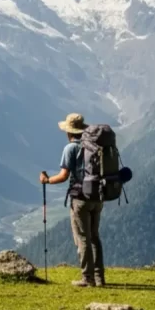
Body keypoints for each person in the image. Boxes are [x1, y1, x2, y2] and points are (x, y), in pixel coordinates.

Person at [39, 113, 104, 287]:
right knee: (94, 237)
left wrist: (47, 180)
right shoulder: (94, 145)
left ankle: (87, 278)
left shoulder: (71, 148)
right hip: (98, 196)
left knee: (82, 237)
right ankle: (99, 277)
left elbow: (63, 175)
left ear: (69, 132)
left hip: (80, 198)